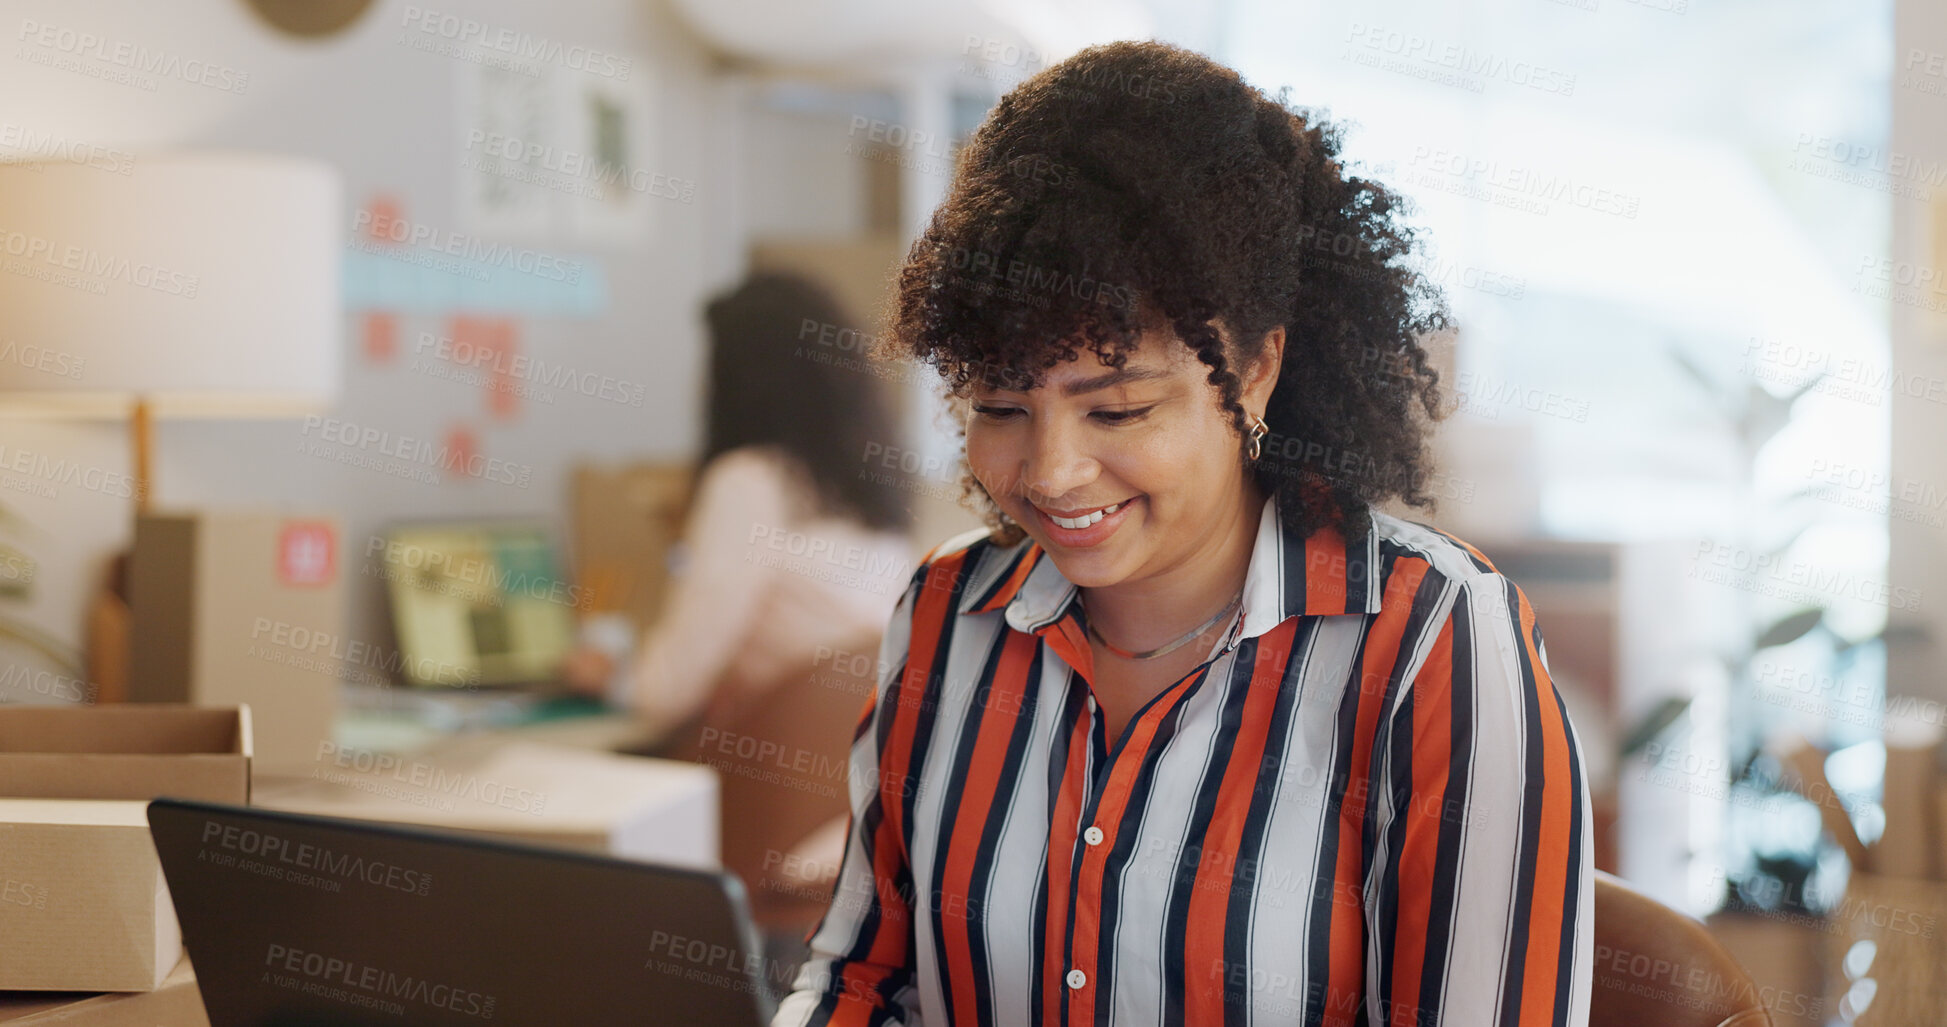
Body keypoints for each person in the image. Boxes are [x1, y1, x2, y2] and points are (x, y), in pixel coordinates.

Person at [771, 41, 1592, 1027]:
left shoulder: (1433, 642)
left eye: (1116, 411)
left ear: (1253, 372)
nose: (1050, 472)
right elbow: (866, 974)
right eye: (1000, 407)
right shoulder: (949, 614)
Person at [563, 272, 916, 922]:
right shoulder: (872, 501)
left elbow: (665, 691)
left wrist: (601, 673)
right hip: (849, 822)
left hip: (757, 821)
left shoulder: (747, 482)